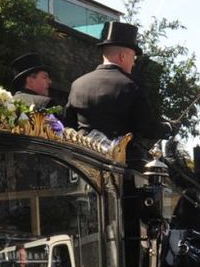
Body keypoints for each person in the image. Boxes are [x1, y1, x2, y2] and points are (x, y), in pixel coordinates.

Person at [64, 21, 175, 167]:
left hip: (84, 164)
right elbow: (147, 128)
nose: (133, 64)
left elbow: (68, 126)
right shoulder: (132, 85)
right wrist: (169, 127)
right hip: (122, 166)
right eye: (133, 58)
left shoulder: (77, 84)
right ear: (123, 56)